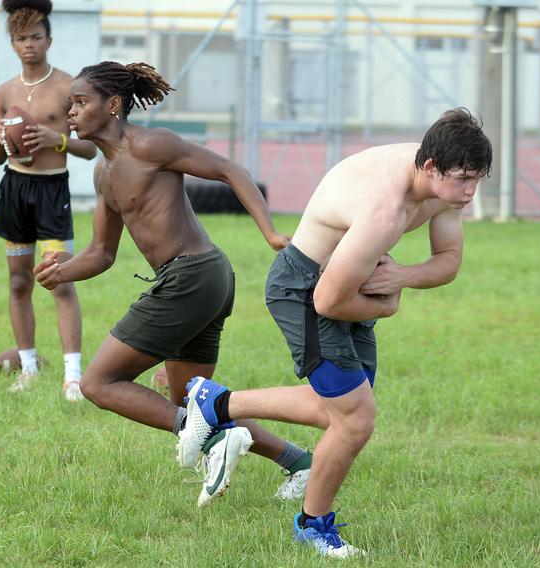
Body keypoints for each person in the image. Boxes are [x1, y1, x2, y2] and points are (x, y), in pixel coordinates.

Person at [177, 108, 492, 557]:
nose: (470, 191)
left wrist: (401, 276)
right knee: (355, 418)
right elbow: (327, 301)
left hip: (348, 281)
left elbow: (448, 261)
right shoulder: (384, 208)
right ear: (429, 167)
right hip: (304, 288)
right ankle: (312, 525)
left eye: (477, 179)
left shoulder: (444, 185)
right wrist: (389, 303)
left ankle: (216, 403)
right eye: (464, 179)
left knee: (340, 412)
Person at [34, 61, 314, 506]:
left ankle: (208, 440)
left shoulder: (151, 144)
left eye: (81, 102)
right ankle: (301, 463)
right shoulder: (103, 174)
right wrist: (60, 270)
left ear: (113, 104)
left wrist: (272, 233)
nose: (71, 112)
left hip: (193, 276)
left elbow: (231, 170)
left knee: (98, 383)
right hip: (202, 278)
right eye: (70, 103)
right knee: (194, 400)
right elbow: (101, 254)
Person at [0, 0, 97, 399]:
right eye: (21, 38)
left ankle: (72, 376)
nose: (29, 44)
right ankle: (29, 368)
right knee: (18, 281)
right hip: (15, 189)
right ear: (13, 43)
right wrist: (1, 139)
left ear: (48, 39)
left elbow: (91, 150)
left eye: (36, 36)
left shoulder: (69, 88)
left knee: (59, 281)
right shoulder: (4, 93)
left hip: (52, 189)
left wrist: (60, 140)